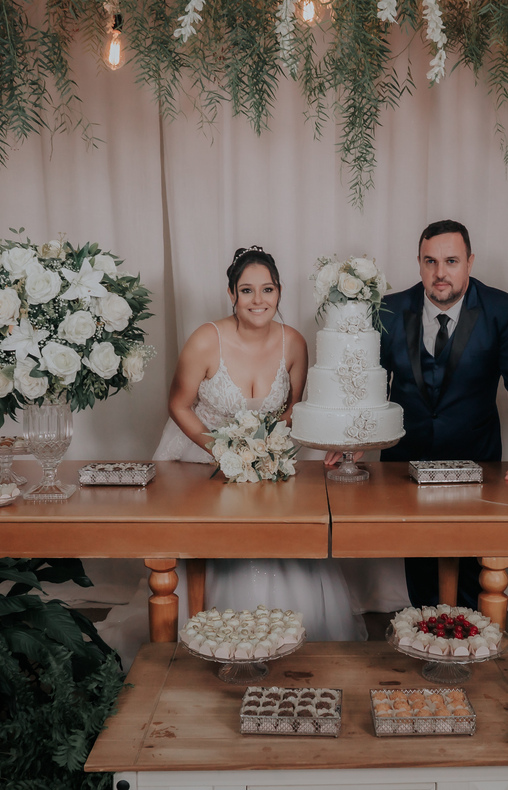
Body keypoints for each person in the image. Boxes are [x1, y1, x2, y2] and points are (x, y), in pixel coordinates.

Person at [327, 220, 508, 609]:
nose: (440, 272)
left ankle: (468, 635)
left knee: (470, 570)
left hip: (477, 460)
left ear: (470, 262)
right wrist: (358, 439)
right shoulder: (389, 310)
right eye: (430, 261)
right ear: (418, 262)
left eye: (451, 261)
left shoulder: (502, 310)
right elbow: (369, 381)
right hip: (406, 463)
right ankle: (425, 633)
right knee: (420, 568)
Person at [154, 246, 366, 641]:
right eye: (247, 290)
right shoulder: (205, 340)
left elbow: (294, 408)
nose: (258, 300)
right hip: (201, 461)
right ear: (232, 294)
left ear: (279, 292)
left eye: (267, 289)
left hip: (267, 460)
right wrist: (223, 449)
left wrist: (263, 449)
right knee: (213, 541)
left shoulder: (294, 342)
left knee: (278, 532)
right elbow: (178, 405)